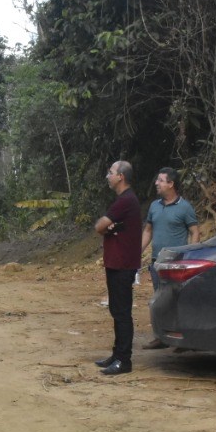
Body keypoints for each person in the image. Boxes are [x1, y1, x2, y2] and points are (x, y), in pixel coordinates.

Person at [140, 168, 202, 349]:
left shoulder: (185, 207)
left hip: (176, 264)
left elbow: (194, 231)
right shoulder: (154, 206)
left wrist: (190, 255)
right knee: (159, 300)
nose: (156, 183)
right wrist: (138, 252)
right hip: (156, 263)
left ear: (171, 184)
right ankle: (161, 337)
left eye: (160, 180)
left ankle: (183, 339)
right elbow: (148, 230)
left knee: (179, 300)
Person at [93, 160, 142, 375]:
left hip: (123, 265)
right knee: (117, 310)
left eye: (110, 172)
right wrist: (109, 228)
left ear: (120, 176)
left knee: (122, 313)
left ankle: (124, 360)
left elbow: (99, 226)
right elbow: (105, 227)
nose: (108, 176)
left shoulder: (125, 201)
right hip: (117, 264)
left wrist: (108, 228)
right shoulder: (124, 201)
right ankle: (117, 354)